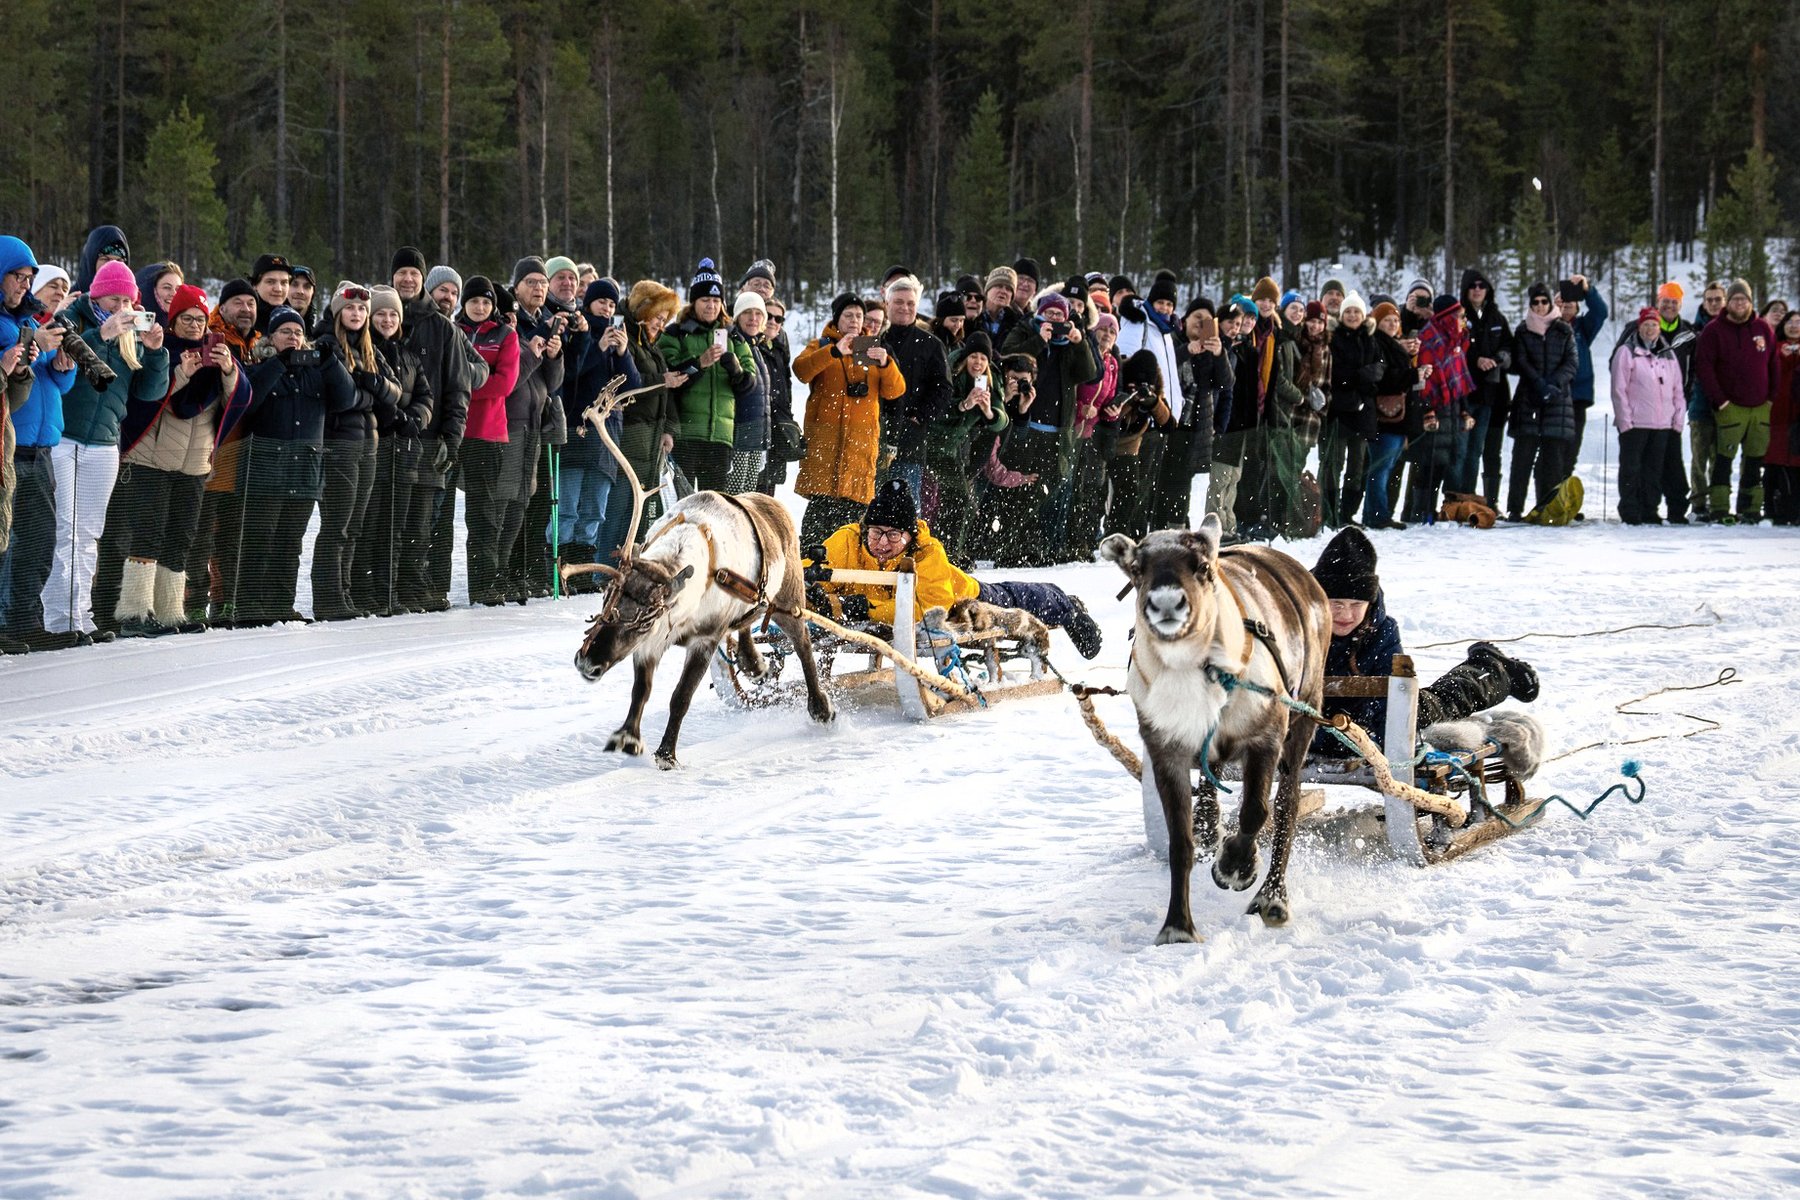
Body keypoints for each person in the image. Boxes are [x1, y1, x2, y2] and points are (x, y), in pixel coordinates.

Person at [92, 284, 251, 636]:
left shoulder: (217, 353)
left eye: (199, 319)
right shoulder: (159, 348)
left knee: (182, 537)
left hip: (194, 465)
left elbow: (239, 401)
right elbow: (146, 399)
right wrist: (180, 374)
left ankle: (168, 611)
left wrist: (227, 372)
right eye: (186, 319)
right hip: (151, 458)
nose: (195, 326)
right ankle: (134, 612)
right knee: (147, 533)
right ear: (173, 320)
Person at [809, 477, 1103, 660]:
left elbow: (925, 612)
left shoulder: (928, 552)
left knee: (1016, 599)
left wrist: (864, 607)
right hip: (883, 608)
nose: (883, 543)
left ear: (910, 535)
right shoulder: (847, 540)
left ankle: (1066, 606)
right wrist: (822, 598)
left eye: (893, 535)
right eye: (875, 533)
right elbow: (806, 574)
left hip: (961, 599)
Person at [1309, 527, 1539, 758]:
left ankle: (1492, 669)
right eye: (1336, 603)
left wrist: (1373, 743)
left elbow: (1390, 709)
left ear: (1369, 603)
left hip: (1373, 715)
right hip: (1323, 717)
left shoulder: (1383, 631)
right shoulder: (1302, 627)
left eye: (1356, 605)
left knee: (1444, 704)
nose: (1346, 615)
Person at [42, 259, 170, 643]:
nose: (120, 307)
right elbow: (71, 366)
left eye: (126, 300)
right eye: (113, 298)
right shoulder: (74, 320)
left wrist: (157, 353)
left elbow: (147, 392)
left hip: (103, 442)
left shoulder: (129, 333)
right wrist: (103, 332)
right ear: (97, 295)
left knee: (89, 533)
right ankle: (57, 618)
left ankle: (80, 614)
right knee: (64, 530)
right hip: (65, 438)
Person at [235, 307, 356, 625]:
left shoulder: (317, 371)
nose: (292, 337)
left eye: (297, 332)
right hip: (266, 469)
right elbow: (250, 402)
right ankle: (249, 606)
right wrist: (278, 363)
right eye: (285, 332)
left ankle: (280, 605)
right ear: (271, 337)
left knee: (290, 543)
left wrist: (331, 362)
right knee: (259, 540)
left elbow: (346, 399)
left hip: (306, 471)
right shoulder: (258, 366)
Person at [0, 244, 78, 651]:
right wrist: (32, 348)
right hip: (7, 448)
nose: (24, 285)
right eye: (17, 276)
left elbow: (56, 384)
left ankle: (25, 621)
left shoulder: (32, 320)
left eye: (29, 279)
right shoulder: (10, 326)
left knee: (38, 541)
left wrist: (63, 366)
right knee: (4, 541)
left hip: (43, 447)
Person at [392, 246, 477, 612]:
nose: (408, 279)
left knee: (421, 523)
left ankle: (414, 586)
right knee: (387, 518)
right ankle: (385, 586)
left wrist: (451, 440)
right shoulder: (382, 317)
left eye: (414, 273)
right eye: (402, 273)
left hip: (430, 441)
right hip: (386, 440)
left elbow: (459, 389)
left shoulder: (443, 328)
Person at [794, 292, 906, 545]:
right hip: (825, 449)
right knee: (818, 517)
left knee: (852, 521)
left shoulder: (872, 348)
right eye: (849, 315)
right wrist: (834, 352)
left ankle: (844, 574)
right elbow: (801, 370)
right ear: (837, 318)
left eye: (859, 315)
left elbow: (896, 391)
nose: (855, 320)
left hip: (859, 449)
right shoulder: (822, 344)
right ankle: (810, 569)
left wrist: (887, 363)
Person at [310, 282, 392, 619]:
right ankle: (328, 598)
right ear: (337, 311)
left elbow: (395, 391)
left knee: (355, 525)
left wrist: (375, 387)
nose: (356, 314)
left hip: (366, 444)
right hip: (338, 443)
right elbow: (342, 397)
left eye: (361, 309)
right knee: (337, 524)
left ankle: (343, 594)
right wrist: (370, 395)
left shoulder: (369, 348)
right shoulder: (327, 345)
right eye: (350, 308)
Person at [355, 285, 434, 615]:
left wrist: (415, 417)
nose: (387, 319)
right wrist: (396, 416)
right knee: (368, 525)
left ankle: (387, 593)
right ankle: (364, 591)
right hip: (373, 446)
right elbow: (370, 394)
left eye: (392, 314)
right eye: (381, 314)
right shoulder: (363, 351)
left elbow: (426, 397)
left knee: (394, 529)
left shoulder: (408, 355)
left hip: (405, 451)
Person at [558, 277, 640, 579]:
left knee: (594, 513)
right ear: (588, 302)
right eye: (601, 301)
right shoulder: (579, 331)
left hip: (607, 437)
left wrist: (622, 354)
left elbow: (632, 388)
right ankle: (557, 572)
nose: (606, 307)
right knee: (567, 511)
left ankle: (582, 574)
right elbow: (569, 375)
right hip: (577, 430)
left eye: (610, 302)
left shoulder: (617, 338)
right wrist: (598, 347)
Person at [657, 257, 754, 494]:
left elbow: (750, 384)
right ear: (693, 302)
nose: (711, 306)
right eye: (705, 300)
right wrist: (700, 363)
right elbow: (668, 377)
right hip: (685, 434)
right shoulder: (675, 334)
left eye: (715, 300)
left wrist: (735, 370)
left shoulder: (735, 337)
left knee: (714, 505)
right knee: (685, 503)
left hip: (720, 436)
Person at [455, 277, 522, 605]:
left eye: (485, 302)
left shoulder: (505, 335)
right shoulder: (454, 330)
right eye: (473, 301)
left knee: (482, 514)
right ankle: (432, 584)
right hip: (452, 431)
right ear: (464, 304)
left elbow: (503, 383)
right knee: (437, 512)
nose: (479, 307)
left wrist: (460, 391)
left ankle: (484, 585)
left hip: (487, 433)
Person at [1695, 278, 1775, 523]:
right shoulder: (1714, 330)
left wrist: (1770, 399)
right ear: (1727, 303)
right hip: (1730, 408)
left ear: (1750, 302)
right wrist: (1720, 401)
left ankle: (1750, 508)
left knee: (1754, 460)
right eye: (1735, 299)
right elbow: (1704, 368)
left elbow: (1774, 364)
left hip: (1760, 407)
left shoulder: (1763, 329)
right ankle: (1720, 509)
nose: (1740, 303)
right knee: (1723, 460)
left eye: (1744, 299)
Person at [924, 332, 1007, 564]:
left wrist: (989, 412)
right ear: (965, 358)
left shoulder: (991, 381)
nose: (978, 363)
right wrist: (963, 405)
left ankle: (949, 553)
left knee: (959, 501)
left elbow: (1003, 421)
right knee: (955, 500)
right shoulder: (950, 372)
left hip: (951, 449)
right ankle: (945, 554)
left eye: (983, 358)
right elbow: (936, 411)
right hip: (929, 444)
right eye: (974, 357)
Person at [877, 274, 953, 509]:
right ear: (887, 304)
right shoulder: (873, 341)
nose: (905, 308)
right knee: (868, 507)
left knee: (905, 509)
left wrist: (920, 416)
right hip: (871, 435)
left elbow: (944, 388)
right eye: (899, 302)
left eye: (910, 303)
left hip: (910, 441)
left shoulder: (931, 344)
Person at [1609, 306, 1690, 525]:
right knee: (1631, 469)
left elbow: (1678, 391)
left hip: (1662, 424)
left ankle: (1649, 509)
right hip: (1635, 423)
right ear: (1639, 326)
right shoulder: (1626, 352)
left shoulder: (1668, 354)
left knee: (1653, 470)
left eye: (1654, 325)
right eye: (1646, 324)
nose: (1650, 329)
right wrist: (1625, 421)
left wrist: (1677, 420)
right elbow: (1619, 389)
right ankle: (1630, 509)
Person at [1505, 283, 1579, 521]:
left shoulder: (1564, 330)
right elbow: (1521, 360)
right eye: (1535, 302)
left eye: (1543, 301)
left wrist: (1553, 384)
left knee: (1553, 461)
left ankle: (1548, 507)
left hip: (1557, 401)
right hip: (1529, 399)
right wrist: (1538, 383)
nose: (1540, 306)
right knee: (1522, 459)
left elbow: (1572, 363)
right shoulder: (1523, 330)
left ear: (1550, 303)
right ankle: (1515, 509)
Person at [1406, 294, 1476, 523]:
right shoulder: (1430, 339)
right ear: (1447, 317)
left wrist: (1464, 408)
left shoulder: (1455, 341)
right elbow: (1425, 381)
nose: (1462, 320)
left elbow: (1460, 376)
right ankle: (1420, 512)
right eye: (1459, 316)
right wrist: (1428, 410)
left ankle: (1443, 511)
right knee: (1429, 463)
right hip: (1434, 408)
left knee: (1448, 461)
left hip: (1453, 408)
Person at [1364, 301, 1430, 529]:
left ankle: (1376, 513)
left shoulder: (1394, 345)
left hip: (1399, 417)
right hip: (1386, 417)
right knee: (1380, 469)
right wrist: (1413, 375)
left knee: (1386, 467)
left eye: (1395, 320)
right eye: (1386, 320)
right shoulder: (1378, 345)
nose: (1392, 324)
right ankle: (1377, 515)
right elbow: (1385, 378)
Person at [1450, 266, 1513, 505]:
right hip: (1464, 393)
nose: (1477, 290)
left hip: (1490, 394)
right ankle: (1454, 499)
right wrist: (1476, 359)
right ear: (1466, 290)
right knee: (1460, 451)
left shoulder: (1496, 317)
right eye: (1473, 286)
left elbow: (1510, 347)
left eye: (1482, 286)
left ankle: (1470, 498)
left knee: (1477, 450)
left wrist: (1498, 359)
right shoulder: (1458, 316)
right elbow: (1454, 348)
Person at [1322, 293, 1380, 529]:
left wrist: (1365, 378)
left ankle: (1347, 513)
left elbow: (1378, 371)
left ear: (1363, 315)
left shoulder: (1370, 339)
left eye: (1356, 311)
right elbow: (1335, 373)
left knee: (1357, 468)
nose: (1353, 316)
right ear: (1342, 315)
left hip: (1363, 413)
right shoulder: (1334, 338)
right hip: (1338, 412)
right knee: (1333, 464)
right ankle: (1329, 512)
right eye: (1348, 312)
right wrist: (1357, 378)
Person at [1556, 275, 1608, 462]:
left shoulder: (1583, 329)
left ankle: (1564, 487)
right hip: (1554, 395)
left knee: (1571, 450)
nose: (1568, 304)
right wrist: (1551, 310)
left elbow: (1601, 312)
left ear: (1578, 308)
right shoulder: (1548, 325)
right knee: (1552, 450)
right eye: (1564, 301)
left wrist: (1587, 290)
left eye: (1572, 302)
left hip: (1578, 395)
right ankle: (1548, 489)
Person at [1687, 280, 1727, 519]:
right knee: (1699, 457)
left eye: (1717, 299)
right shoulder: (1692, 331)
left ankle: (1719, 502)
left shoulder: (1732, 329)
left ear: (1725, 301)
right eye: (1709, 299)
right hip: (1700, 404)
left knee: (1720, 458)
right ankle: (1699, 503)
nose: (1713, 304)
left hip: (1727, 405)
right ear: (1703, 303)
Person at [725, 290, 770, 494]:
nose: (753, 319)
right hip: (739, 431)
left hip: (757, 433)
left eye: (758, 313)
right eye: (747, 313)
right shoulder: (733, 342)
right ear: (737, 317)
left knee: (748, 494)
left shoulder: (757, 347)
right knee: (734, 495)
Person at [1766, 310, 1800, 525]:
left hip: (1797, 417)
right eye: (1790, 322)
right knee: (1774, 465)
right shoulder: (1774, 348)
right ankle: (1773, 509)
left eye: (1799, 322)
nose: (1794, 326)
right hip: (1775, 416)